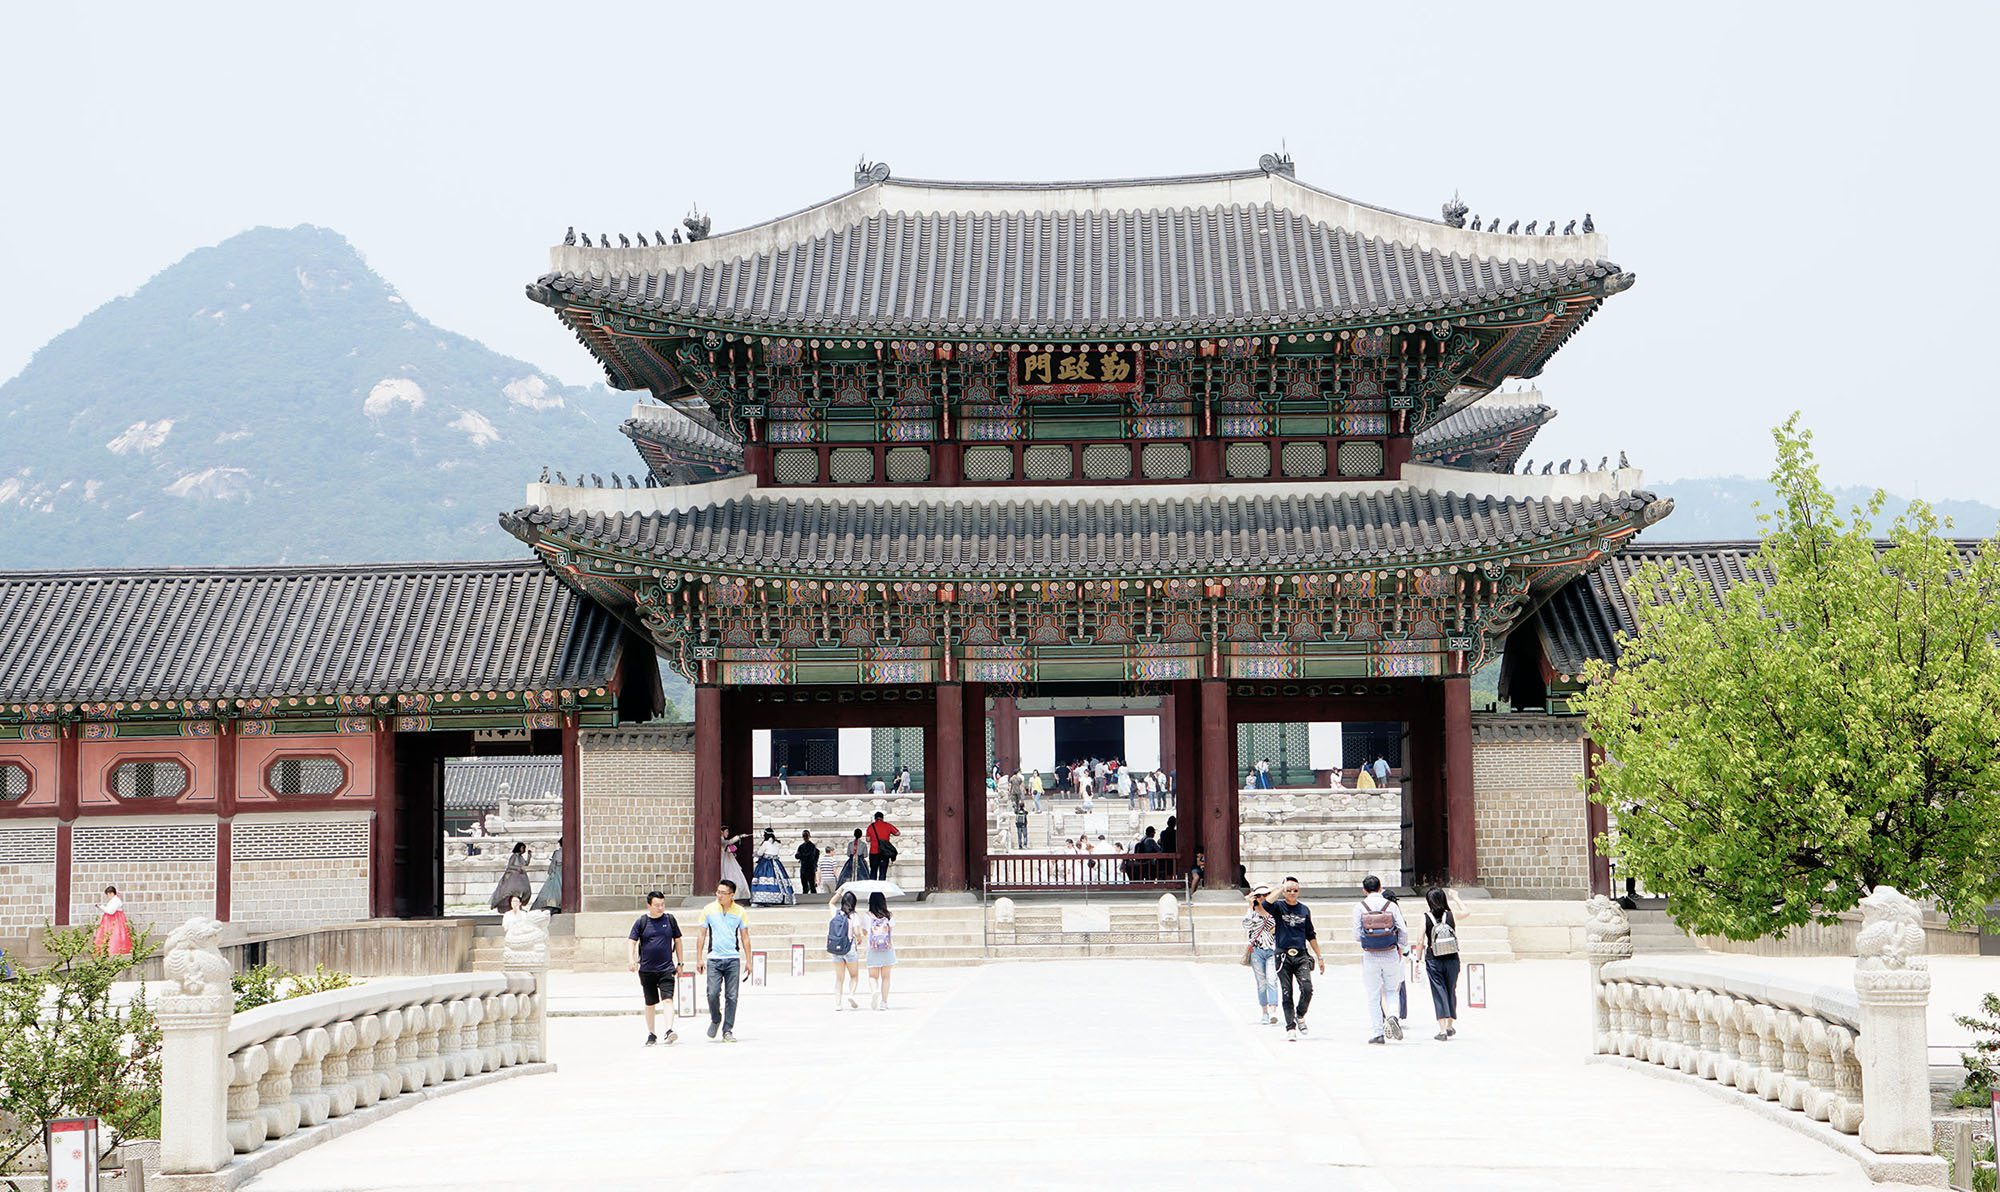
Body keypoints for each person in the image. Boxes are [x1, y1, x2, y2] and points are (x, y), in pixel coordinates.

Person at [1256, 876, 1324, 1041]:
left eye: (1295, 890)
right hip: (1283, 954)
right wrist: (1281, 888)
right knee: (1287, 992)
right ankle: (1290, 1027)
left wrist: (1319, 956)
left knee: (1307, 988)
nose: (1292, 893)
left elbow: (1310, 934)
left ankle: (1300, 1014)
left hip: (1301, 954)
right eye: (1289, 890)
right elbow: (1265, 905)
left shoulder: (1304, 910)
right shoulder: (1279, 907)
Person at [1354, 874, 1411, 1044]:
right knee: (1392, 991)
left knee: (1373, 994)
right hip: (1390, 953)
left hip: (1370, 954)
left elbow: (1356, 934)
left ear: (1364, 890)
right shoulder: (1391, 905)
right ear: (1381, 888)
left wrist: (1368, 940)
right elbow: (1403, 930)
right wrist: (1399, 945)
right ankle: (1393, 1016)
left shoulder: (1359, 907)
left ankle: (1378, 1032)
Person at [695, 879, 750, 1042]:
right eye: (718, 892)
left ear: (731, 895)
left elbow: (745, 937)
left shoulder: (740, 911)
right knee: (712, 993)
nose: (719, 895)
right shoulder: (708, 910)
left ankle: (727, 1029)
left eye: (723, 893)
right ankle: (716, 1018)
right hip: (714, 959)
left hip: (733, 958)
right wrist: (699, 958)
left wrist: (749, 960)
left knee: (732, 996)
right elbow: (702, 934)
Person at [627, 890, 682, 1046]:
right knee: (650, 1003)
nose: (660, 908)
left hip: (666, 968)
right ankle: (651, 1033)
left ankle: (669, 1030)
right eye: (657, 905)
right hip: (647, 969)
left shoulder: (670, 920)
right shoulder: (642, 922)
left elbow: (678, 941)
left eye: (662, 904)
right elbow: (632, 941)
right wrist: (631, 959)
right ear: (649, 906)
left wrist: (680, 963)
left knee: (668, 999)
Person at [1419, 886, 1462, 1040]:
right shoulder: (1451, 915)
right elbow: (1467, 912)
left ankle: (1442, 1030)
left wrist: (1418, 959)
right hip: (1452, 958)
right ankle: (1450, 1026)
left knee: (1439, 992)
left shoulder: (1425, 917)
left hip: (1434, 959)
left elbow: (1420, 941)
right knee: (1451, 990)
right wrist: (1456, 898)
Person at [1242, 884, 1280, 1025]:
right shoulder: (1251, 911)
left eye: (1265, 895)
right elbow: (1246, 925)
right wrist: (1251, 906)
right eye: (1259, 896)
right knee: (1261, 983)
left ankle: (1273, 1010)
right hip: (1257, 951)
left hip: (1272, 949)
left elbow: (1274, 925)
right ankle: (1264, 1012)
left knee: (1272, 980)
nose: (1262, 898)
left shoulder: (1274, 910)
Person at [826, 890, 865, 1010]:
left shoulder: (836, 913)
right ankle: (851, 995)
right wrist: (859, 938)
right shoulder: (854, 916)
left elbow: (831, 903)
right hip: (849, 949)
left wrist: (839, 892)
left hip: (836, 949)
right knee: (854, 975)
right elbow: (857, 932)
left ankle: (838, 1004)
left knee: (839, 978)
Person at [863, 890, 896, 1010]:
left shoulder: (867, 916)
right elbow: (891, 930)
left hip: (873, 949)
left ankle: (874, 991)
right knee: (886, 977)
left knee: (873, 976)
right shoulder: (889, 915)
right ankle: (884, 1002)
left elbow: (864, 932)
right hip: (887, 949)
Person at [751, 828, 797, 906]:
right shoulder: (778, 843)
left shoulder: (765, 843)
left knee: (763, 879)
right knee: (779, 880)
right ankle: (780, 897)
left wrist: (755, 854)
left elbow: (760, 853)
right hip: (776, 862)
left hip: (765, 863)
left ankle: (762, 899)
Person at [489, 842, 533, 911]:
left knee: (522, 892)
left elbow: (526, 864)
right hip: (513, 877)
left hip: (520, 877)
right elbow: (509, 866)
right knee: (513, 892)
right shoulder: (514, 856)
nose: (523, 850)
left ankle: (519, 905)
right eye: (523, 848)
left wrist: (529, 856)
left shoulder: (520, 857)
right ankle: (513, 906)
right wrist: (518, 868)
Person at [91, 886, 132, 957]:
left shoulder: (116, 901)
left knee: (114, 936)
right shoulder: (114, 900)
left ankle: (113, 952)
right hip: (111, 921)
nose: (107, 896)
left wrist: (101, 907)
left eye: (108, 894)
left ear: (111, 893)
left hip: (114, 922)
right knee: (109, 936)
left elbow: (111, 911)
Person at [718, 828, 751, 902]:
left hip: (728, 859)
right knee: (728, 874)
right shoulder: (721, 839)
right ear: (722, 832)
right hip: (725, 860)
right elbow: (728, 842)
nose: (727, 833)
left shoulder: (722, 839)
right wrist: (739, 836)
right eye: (726, 831)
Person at [531, 837, 563, 912]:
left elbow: (553, 864)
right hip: (562, 871)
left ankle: (555, 905)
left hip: (557, 871)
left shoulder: (557, 852)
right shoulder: (561, 852)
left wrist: (551, 872)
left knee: (554, 890)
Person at [865, 811, 899, 881]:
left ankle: (872, 888)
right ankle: (881, 889)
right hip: (884, 852)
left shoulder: (871, 826)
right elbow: (897, 833)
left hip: (874, 852)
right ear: (882, 818)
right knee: (883, 872)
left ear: (875, 818)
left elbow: (868, 839)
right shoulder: (887, 825)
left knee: (873, 871)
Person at [795, 831, 821, 896]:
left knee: (812, 885)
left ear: (809, 836)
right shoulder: (801, 846)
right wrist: (803, 856)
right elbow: (796, 856)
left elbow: (811, 856)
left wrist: (802, 856)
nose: (805, 837)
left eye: (806, 836)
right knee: (804, 885)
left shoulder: (812, 846)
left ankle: (814, 899)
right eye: (804, 836)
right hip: (803, 867)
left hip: (810, 868)